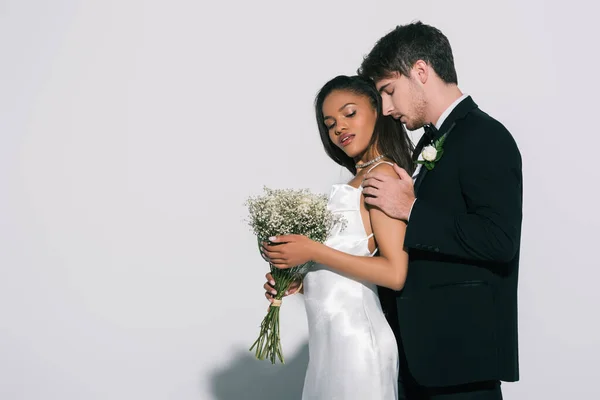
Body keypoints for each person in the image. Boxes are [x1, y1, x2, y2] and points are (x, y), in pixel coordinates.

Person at [356, 21, 523, 399]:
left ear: (420, 72)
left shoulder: (486, 136)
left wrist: (411, 209)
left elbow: (499, 241)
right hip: (420, 360)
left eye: (389, 91)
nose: (385, 108)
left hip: (460, 364)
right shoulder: (428, 144)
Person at [261, 75, 414, 400]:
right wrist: (301, 280)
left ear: (376, 110)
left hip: (357, 343)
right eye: (330, 124)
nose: (339, 128)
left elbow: (395, 273)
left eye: (349, 113)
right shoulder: (357, 179)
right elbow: (347, 262)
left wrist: (313, 251)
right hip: (329, 344)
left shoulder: (382, 177)